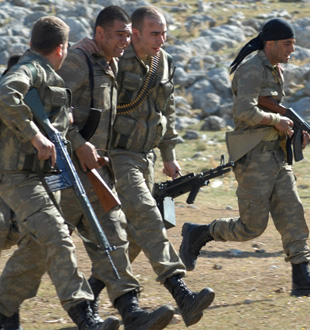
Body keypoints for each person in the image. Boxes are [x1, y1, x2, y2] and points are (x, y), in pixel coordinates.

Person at [73, 6, 215, 327]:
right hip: (118, 156)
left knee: (137, 234)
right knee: (148, 217)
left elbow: (168, 108)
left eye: (164, 33)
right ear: (134, 33)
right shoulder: (115, 59)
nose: (161, 40)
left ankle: (90, 296)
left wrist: (169, 153)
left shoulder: (162, 61)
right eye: (154, 33)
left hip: (146, 155)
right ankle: (181, 292)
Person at [179, 18, 310, 297]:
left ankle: (302, 278)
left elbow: (273, 118)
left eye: (293, 44)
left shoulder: (275, 69)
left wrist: (293, 135)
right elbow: (244, 112)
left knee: (293, 214)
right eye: (287, 44)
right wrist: (277, 120)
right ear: (270, 43)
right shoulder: (252, 69)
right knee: (251, 227)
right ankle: (199, 233)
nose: (292, 49)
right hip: (253, 157)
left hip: (276, 155)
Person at [57, 6, 174, 329]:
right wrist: (79, 143)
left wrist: (169, 152)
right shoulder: (82, 61)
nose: (125, 41)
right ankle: (6, 310)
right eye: (120, 34)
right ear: (100, 34)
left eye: (127, 34)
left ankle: (130, 311)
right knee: (41, 248)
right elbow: (51, 106)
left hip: (102, 169)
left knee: (114, 237)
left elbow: (166, 109)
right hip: (68, 171)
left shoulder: (125, 63)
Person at [0, 16, 120, 330]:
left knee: (37, 248)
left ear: (31, 42)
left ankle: (3, 310)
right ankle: (85, 316)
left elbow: (59, 130)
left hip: (44, 177)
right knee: (58, 237)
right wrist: (34, 136)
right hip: (20, 176)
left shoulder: (47, 74)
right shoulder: (30, 69)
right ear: (62, 48)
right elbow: (6, 95)